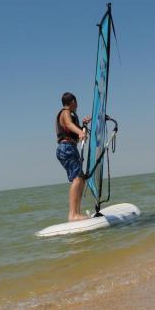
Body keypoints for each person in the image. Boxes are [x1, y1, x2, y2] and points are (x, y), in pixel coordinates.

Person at [55, 92, 91, 221]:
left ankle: (77, 213)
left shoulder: (70, 115)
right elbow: (69, 125)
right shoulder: (65, 112)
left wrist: (83, 126)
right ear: (73, 102)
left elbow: (73, 129)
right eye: (76, 102)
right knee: (77, 179)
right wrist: (80, 131)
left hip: (70, 148)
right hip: (66, 148)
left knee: (81, 179)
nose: (77, 105)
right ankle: (72, 214)